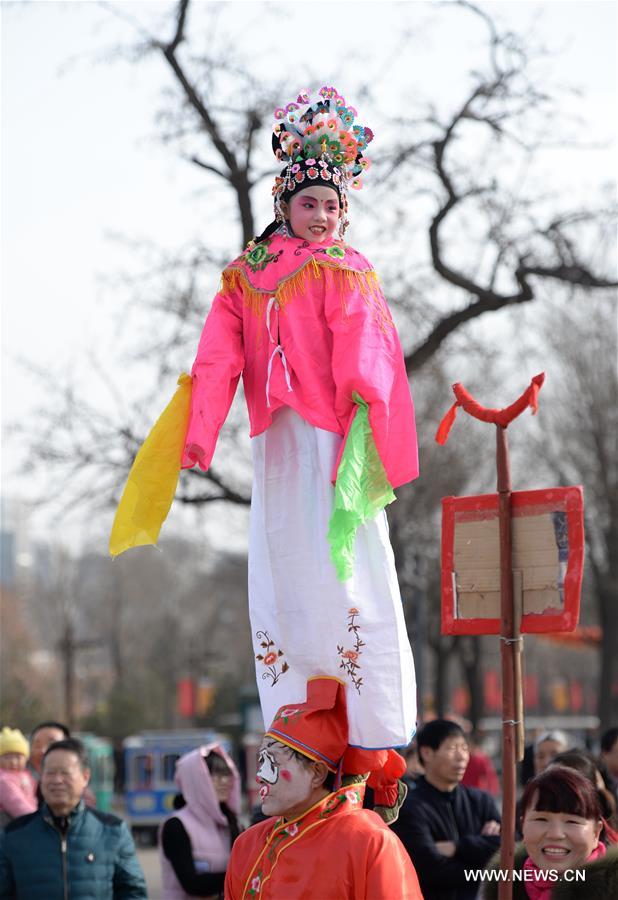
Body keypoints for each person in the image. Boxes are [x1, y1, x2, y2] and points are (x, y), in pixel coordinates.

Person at [110, 85, 419, 751]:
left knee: (351, 564)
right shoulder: (244, 278)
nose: (322, 216)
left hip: (334, 434)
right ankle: (298, 716)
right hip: (276, 441)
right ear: (283, 205)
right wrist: (199, 433)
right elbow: (215, 362)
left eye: (334, 206)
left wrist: (364, 421)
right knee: (284, 563)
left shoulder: (346, 269)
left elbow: (366, 349)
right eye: (310, 203)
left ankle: (373, 730)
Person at [225, 676, 423, 899]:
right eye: (262, 762)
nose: (260, 775)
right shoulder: (247, 845)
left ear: (317, 773)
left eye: (273, 763)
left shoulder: (369, 840)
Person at [0, 737, 147, 899]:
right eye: (50, 773)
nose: (57, 780)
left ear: (85, 777)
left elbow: (133, 893)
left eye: (65, 773)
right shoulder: (13, 835)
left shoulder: (113, 831)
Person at [390, 719, 500, 900]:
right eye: (452, 749)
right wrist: (484, 862)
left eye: (464, 748)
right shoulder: (409, 807)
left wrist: (457, 847)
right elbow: (430, 869)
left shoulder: (481, 801)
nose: (462, 757)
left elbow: (506, 847)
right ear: (427, 753)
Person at [482, 765, 618, 899]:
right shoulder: (504, 887)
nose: (555, 834)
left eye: (572, 822)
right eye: (541, 819)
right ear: (523, 826)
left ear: (596, 833)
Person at [160, 743, 241, 898]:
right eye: (214, 776)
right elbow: (191, 883)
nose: (224, 781)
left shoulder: (232, 823)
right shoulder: (176, 825)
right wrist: (240, 877)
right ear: (196, 781)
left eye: (226, 774)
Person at [0, 728, 37, 828]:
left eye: (18, 757)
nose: (13, 762)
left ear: (26, 758)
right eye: (7, 757)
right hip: (8, 820)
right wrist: (35, 818)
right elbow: (15, 802)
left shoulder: (25, 774)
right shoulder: (4, 779)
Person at [462, 732, 499, 797]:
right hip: (465, 791)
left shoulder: (481, 759)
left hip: (476, 792)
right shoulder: (464, 758)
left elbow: (489, 776)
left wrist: (492, 790)